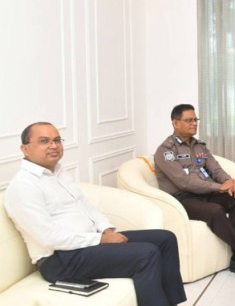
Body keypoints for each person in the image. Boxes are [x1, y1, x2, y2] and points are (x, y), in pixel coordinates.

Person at [4, 122, 186, 306]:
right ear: (25, 149)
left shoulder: (59, 173)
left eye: (57, 140)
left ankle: (172, 302)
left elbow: (86, 206)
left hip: (87, 244)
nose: (54, 146)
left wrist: (105, 229)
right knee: (147, 253)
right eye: (44, 141)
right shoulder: (23, 186)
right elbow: (49, 238)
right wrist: (101, 240)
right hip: (59, 259)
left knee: (165, 238)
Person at [154, 104, 235, 279]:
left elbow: (216, 170)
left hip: (205, 193)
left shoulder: (199, 146)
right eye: (189, 120)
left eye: (195, 119)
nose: (194, 123)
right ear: (175, 123)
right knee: (215, 211)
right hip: (183, 199)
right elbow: (184, 182)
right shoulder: (166, 151)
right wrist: (219, 187)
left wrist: (230, 182)